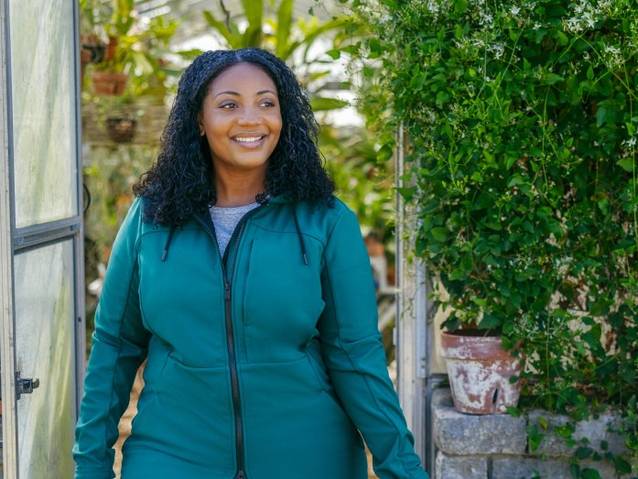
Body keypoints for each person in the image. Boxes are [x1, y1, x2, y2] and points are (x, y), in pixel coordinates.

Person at [72, 47, 428, 479]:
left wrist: (403, 470)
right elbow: (116, 344)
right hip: (173, 454)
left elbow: (356, 357)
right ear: (198, 121)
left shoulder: (325, 221)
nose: (251, 119)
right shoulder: (151, 219)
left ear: (284, 117)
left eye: (266, 102)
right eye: (228, 104)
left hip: (307, 455)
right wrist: (90, 464)